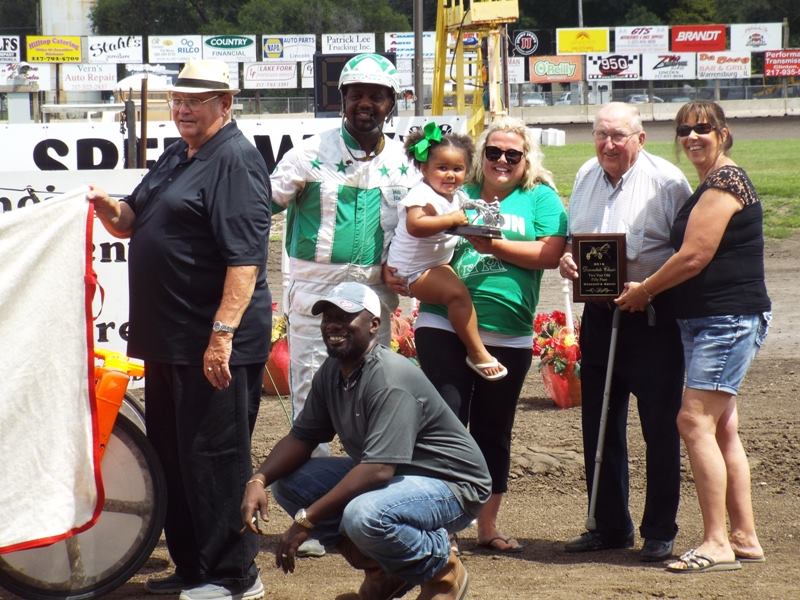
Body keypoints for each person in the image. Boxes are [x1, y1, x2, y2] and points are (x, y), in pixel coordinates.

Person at [88, 59, 271, 600]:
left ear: (225, 104)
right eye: (178, 100)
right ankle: (193, 567)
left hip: (209, 340)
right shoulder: (178, 153)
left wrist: (222, 335)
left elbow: (245, 260)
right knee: (174, 456)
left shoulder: (235, 160)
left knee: (214, 459)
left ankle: (234, 576)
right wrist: (105, 206)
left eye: (196, 100)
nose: (184, 109)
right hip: (169, 338)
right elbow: (131, 219)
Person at [241, 282, 491, 599]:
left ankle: (442, 570)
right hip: (401, 476)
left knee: (364, 515)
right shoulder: (333, 372)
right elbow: (303, 437)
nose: (333, 324)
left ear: (374, 324)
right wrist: (259, 479)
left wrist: (307, 520)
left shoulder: (389, 377)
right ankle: (382, 571)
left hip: (452, 484)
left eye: (345, 317)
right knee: (290, 485)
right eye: (328, 317)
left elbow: (378, 469)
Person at [616, 101, 771, 573]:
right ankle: (743, 537)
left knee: (693, 422)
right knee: (721, 428)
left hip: (725, 319)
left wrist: (645, 289)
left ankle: (717, 542)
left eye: (703, 128)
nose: (692, 137)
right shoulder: (711, 182)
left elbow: (693, 256)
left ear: (722, 132)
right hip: (711, 319)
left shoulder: (725, 183)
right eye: (684, 130)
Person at [411, 116, 567, 553]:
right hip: (443, 322)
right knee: (446, 421)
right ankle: (441, 524)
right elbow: (416, 223)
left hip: (509, 332)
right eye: (493, 152)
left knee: (494, 429)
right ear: (481, 154)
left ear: (526, 159)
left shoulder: (540, 197)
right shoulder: (459, 188)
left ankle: (487, 525)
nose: (502, 160)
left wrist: (494, 245)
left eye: (512, 154)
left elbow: (549, 254)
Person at [559, 102, 692, 562]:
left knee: (659, 427)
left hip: (653, 318)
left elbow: (687, 254)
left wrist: (648, 289)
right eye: (601, 134)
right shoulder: (584, 175)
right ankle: (609, 526)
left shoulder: (668, 181)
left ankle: (660, 529)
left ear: (640, 138)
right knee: (599, 425)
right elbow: (574, 239)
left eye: (619, 135)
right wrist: (568, 259)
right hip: (599, 316)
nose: (609, 144)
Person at [270, 52, 418, 441]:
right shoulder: (308, 154)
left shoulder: (405, 161)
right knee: (310, 397)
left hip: (373, 297)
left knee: (372, 395)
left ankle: (369, 477)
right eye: (356, 95)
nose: (365, 104)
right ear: (343, 99)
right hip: (316, 297)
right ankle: (309, 477)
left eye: (376, 96)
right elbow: (259, 207)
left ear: (391, 103)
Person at [387, 121, 507, 380]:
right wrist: (451, 219)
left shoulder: (457, 196)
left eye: (457, 169)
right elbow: (416, 226)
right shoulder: (421, 194)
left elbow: (466, 214)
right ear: (424, 169)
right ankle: (476, 352)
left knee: (459, 292)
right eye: (442, 168)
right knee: (458, 295)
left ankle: (467, 344)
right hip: (411, 270)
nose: (450, 175)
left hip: (432, 265)